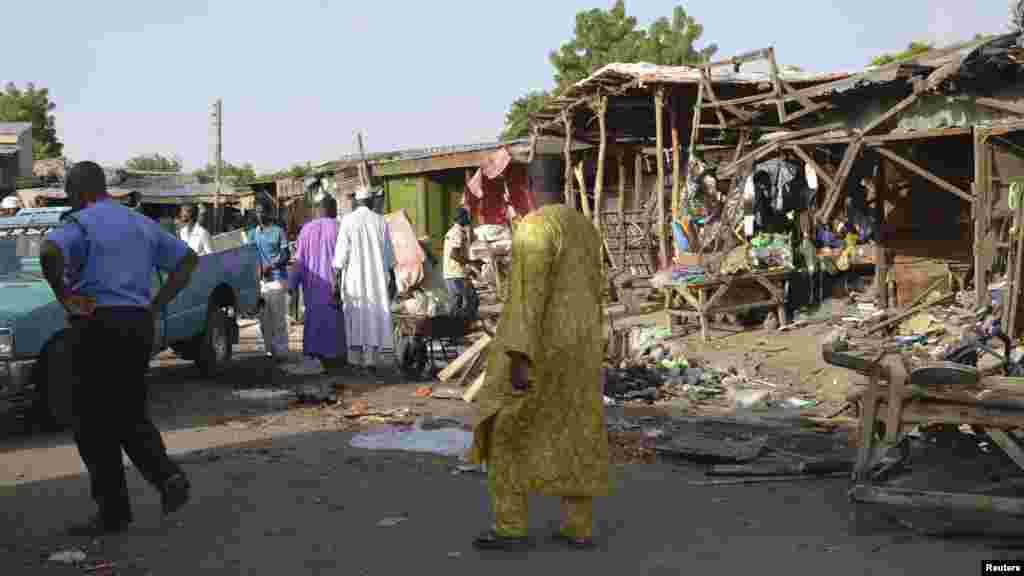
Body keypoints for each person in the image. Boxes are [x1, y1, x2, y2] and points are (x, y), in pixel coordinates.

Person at [39, 161, 198, 535]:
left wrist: (64, 295)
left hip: (97, 324)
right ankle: (167, 477)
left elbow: (49, 253)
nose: (68, 198)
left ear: (79, 190)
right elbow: (187, 260)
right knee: (127, 408)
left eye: (69, 191)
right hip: (138, 323)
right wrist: (156, 305)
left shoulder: (79, 223)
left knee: (90, 420)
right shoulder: (140, 223)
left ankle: (115, 511)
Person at [468, 177, 611, 551]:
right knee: (576, 432)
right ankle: (578, 527)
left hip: (541, 349)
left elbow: (526, 298)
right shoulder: (585, 227)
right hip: (581, 350)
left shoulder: (534, 227)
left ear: (528, 188)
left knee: (506, 431)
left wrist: (518, 354)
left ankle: (511, 526)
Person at [333, 186, 395, 376]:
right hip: (376, 279)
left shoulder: (347, 221)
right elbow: (388, 255)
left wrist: (336, 280)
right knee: (373, 317)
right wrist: (392, 278)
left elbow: (340, 257)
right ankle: (370, 360)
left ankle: (355, 360)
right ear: (370, 201)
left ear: (357, 201)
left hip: (354, 279)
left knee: (355, 316)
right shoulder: (380, 221)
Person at [288, 195, 346, 370]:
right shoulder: (339, 228)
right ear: (333, 210)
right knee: (335, 325)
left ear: (318, 210)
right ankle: (335, 360)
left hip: (312, 291)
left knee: (313, 322)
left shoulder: (306, 230)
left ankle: (314, 355)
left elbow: (298, 262)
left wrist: (292, 285)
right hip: (334, 289)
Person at [245, 205, 290, 361]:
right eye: (257, 211)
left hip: (277, 279)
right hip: (260, 283)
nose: (260, 213)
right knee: (264, 320)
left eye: (262, 210)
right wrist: (257, 270)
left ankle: (282, 351)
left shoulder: (278, 231)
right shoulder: (252, 234)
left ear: (268, 212)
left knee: (278, 318)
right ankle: (269, 350)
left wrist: (272, 266)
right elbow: (248, 255)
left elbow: (285, 255)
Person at [443, 207, 480, 319]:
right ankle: (464, 324)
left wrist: (469, 268)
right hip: (456, 274)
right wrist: (472, 262)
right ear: (462, 218)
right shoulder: (458, 232)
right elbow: (454, 255)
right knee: (471, 299)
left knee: (456, 303)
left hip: (451, 273)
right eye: (466, 217)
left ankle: (453, 327)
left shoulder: (452, 231)